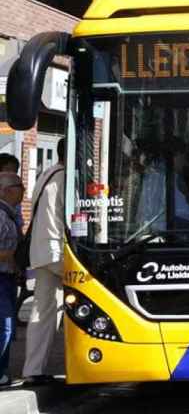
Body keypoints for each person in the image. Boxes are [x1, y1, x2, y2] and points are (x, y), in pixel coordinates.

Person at [23, 138, 65, 386]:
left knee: (43, 311)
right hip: (57, 252)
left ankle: (33, 369)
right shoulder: (65, 178)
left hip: (40, 252)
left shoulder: (46, 174)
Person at [136, 148, 189, 231]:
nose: (184, 163)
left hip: (146, 232)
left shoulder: (148, 177)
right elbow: (181, 210)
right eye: (183, 158)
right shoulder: (171, 177)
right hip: (166, 234)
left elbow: (140, 213)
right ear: (176, 156)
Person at [0, 173, 24, 388]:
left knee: (6, 325)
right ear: (6, 190)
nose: (23, 191)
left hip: (7, 277)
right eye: (20, 186)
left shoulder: (9, 215)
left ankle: (3, 371)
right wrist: (12, 253)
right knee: (5, 325)